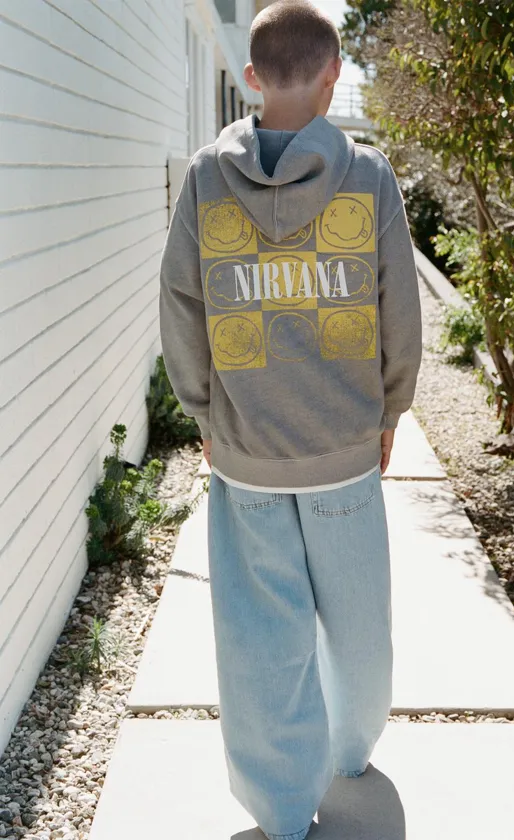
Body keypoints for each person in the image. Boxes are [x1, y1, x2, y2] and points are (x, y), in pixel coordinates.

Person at [159, 1, 422, 837]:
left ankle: (280, 810)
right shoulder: (368, 178)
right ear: (334, 73)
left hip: (248, 457)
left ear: (250, 77)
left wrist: (205, 411)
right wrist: (391, 407)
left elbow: (181, 307)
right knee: (360, 624)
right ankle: (350, 749)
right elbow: (399, 308)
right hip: (344, 450)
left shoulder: (206, 179)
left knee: (261, 638)